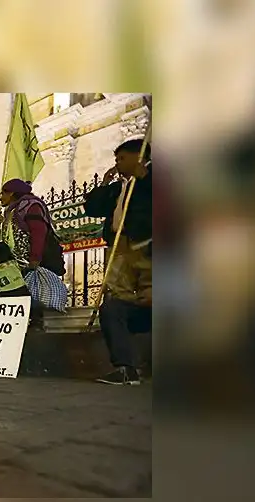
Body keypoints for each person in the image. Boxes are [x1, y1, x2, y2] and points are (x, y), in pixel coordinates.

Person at [84, 138, 152, 385]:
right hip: (120, 247)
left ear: (139, 156)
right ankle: (125, 368)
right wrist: (105, 183)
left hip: (147, 246)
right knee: (115, 304)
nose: (117, 163)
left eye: (122, 158)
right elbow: (91, 207)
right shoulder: (118, 188)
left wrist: (144, 177)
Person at [0, 178, 66, 330]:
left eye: (3, 193)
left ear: (12, 193)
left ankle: (36, 322)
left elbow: (38, 231)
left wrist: (35, 257)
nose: (1, 197)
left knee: (32, 291)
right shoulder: (13, 210)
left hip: (28, 260)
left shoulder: (31, 206)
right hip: (15, 262)